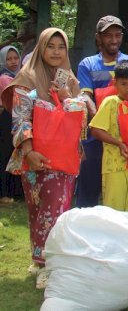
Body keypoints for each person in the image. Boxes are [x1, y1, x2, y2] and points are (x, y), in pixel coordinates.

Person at [1, 28, 85, 288]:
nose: (57, 52)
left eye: (61, 46)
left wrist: (66, 97)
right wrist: (29, 151)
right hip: (34, 155)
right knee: (38, 210)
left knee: (57, 210)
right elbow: (20, 117)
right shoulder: (28, 77)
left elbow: (80, 122)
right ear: (41, 48)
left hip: (64, 156)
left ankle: (50, 264)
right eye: (51, 46)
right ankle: (40, 261)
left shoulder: (68, 78)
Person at [75, 15, 128, 208]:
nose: (114, 40)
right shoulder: (87, 64)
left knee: (124, 191)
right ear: (98, 37)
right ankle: (85, 230)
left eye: (117, 35)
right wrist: (102, 119)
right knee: (89, 188)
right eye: (108, 36)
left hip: (127, 136)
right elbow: (86, 95)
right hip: (96, 135)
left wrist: (124, 119)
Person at [89, 60, 128, 224]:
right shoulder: (110, 102)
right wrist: (118, 143)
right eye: (124, 84)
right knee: (114, 212)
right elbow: (95, 129)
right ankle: (112, 248)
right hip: (114, 167)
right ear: (115, 82)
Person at [1, 45, 23, 203]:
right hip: (6, 119)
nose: (13, 62)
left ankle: (15, 191)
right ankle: (4, 193)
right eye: (9, 59)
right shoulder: (4, 78)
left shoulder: (21, 75)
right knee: (5, 156)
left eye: (15, 58)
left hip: (18, 118)